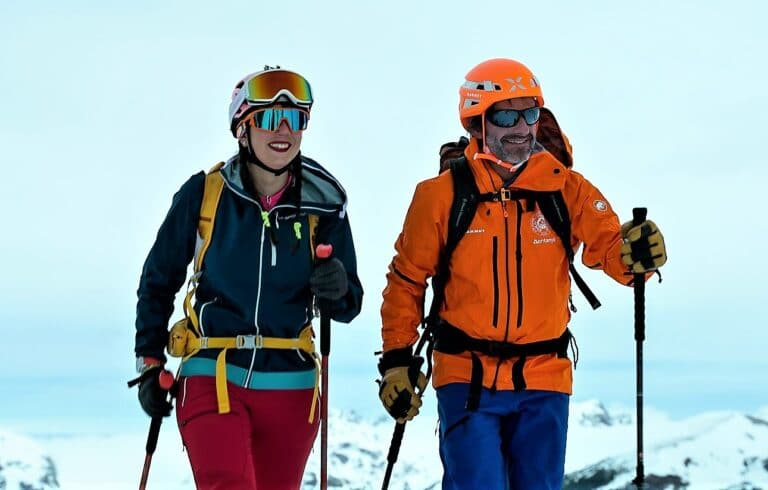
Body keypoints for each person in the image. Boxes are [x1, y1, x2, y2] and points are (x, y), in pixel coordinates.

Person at [376, 58, 667, 489]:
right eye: (506, 114)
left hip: (545, 377)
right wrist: (397, 360)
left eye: (529, 113)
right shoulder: (440, 196)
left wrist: (637, 256)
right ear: (478, 120)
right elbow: (407, 278)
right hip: (466, 377)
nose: (520, 126)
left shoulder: (567, 189)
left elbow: (610, 249)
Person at [132, 66, 363, 490]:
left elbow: (348, 306)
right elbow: (158, 280)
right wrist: (149, 363)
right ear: (243, 127)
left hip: (292, 384)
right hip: (212, 372)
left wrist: (338, 285)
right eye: (270, 118)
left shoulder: (325, 201)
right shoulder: (203, 194)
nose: (285, 131)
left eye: (296, 120)